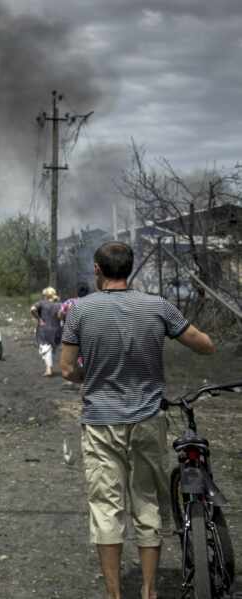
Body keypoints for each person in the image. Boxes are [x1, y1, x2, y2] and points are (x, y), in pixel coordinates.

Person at [60, 241, 215, 599]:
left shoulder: (81, 311)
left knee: (106, 508)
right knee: (147, 502)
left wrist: (95, 375)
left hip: (100, 422)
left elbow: (67, 369)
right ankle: (149, 592)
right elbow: (204, 344)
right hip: (148, 418)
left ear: (98, 270)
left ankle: (114, 594)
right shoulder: (158, 305)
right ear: (130, 269)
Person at [30, 287, 63, 377]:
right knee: (52, 348)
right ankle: (49, 368)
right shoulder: (59, 304)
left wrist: (39, 319)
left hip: (44, 329)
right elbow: (62, 315)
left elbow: (32, 309)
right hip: (57, 329)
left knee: (45, 348)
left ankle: (49, 369)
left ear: (45, 295)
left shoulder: (41, 303)